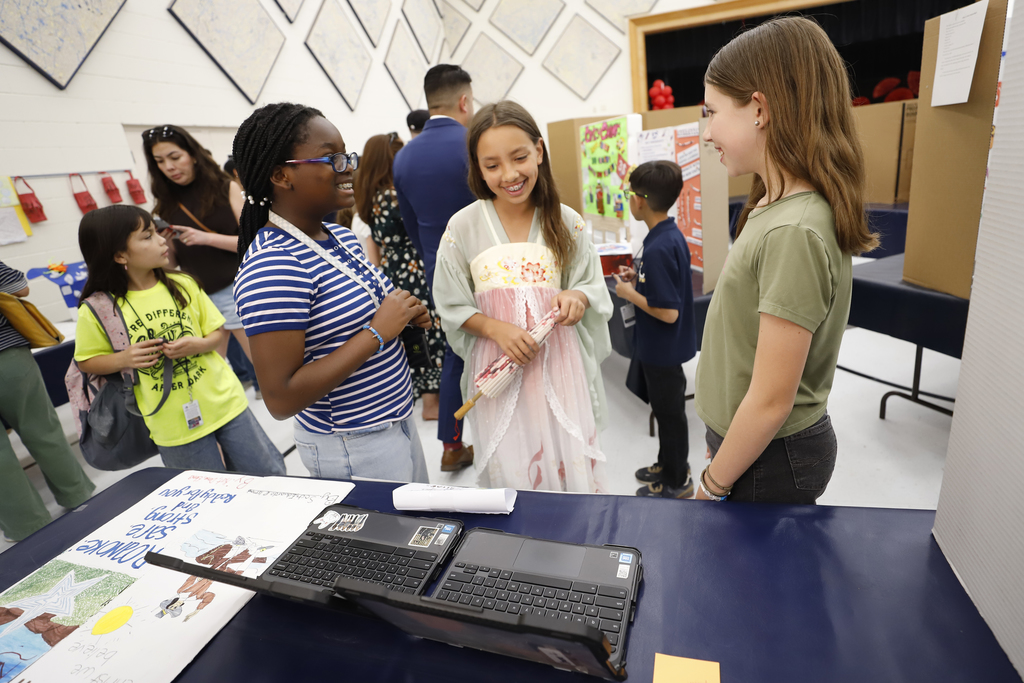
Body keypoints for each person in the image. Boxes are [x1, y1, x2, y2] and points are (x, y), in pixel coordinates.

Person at [694, 16, 877, 504]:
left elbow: (772, 400)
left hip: (767, 458)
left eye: (711, 112)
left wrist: (711, 487)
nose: (707, 131)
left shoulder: (793, 230)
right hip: (749, 449)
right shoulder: (772, 206)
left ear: (758, 109)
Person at [231, 102, 431, 483]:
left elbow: (361, 316)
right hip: (353, 444)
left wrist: (403, 314)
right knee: (395, 541)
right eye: (331, 158)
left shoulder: (339, 237)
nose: (348, 167)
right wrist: (377, 333)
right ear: (281, 175)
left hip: (395, 418)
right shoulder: (274, 265)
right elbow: (281, 397)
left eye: (346, 155)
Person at [432, 100, 613, 492]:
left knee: (569, 472)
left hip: (561, 371)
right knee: (511, 475)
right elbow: (450, 304)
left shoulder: (567, 222)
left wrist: (577, 298)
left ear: (539, 151)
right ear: (478, 168)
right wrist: (495, 328)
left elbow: (590, 285)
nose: (509, 174)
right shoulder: (461, 228)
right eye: (492, 165)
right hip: (498, 375)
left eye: (519, 158)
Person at [73, 205, 285, 474]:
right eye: (147, 236)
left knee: (268, 476)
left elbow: (216, 333)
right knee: (207, 495)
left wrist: (199, 344)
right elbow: (87, 362)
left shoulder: (183, 284)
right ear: (118, 255)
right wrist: (124, 358)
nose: (162, 240)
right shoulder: (99, 308)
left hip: (225, 403)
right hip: (171, 422)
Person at [393, 65, 477, 471]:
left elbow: (410, 225)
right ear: (464, 101)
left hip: (439, 272)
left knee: (456, 358)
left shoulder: (404, 157)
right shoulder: (475, 142)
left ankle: (451, 444)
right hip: (489, 267)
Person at [613, 160, 697, 499]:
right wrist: (640, 280)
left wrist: (630, 294)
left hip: (663, 350)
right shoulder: (664, 235)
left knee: (670, 415)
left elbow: (669, 313)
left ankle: (678, 482)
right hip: (659, 348)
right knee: (665, 413)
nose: (630, 200)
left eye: (631, 194)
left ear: (641, 200)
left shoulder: (661, 246)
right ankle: (668, 463)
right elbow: (665, 287)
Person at [0, 261, 95, 543]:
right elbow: (21, 288)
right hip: (8, 357)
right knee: (42, 428)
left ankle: (25, 525)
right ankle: (76, 495)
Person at [142, 125, 251, 364]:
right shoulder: (165, 206)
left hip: (239, 288)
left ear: (193, 155)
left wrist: (205, 237)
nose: (169, 167)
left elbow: (254, 242)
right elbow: (171, 263)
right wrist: (161, 246)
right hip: (199, 295)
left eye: (175, 157)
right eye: (160, 161)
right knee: (213, 369)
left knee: (263, 365)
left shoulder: (227, 188)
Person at [356, 132, 445, 421]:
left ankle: (424, 397)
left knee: (413, 333)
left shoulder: (370, 198)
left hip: (394, 270)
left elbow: (376, 247)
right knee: (428, 330)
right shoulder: (394, 196)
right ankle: (433, 403)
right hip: (415, 267)